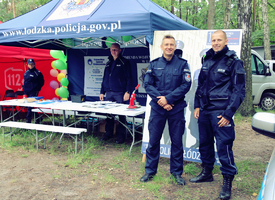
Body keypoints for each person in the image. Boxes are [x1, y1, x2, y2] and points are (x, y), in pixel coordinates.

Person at [190, 30, 245, 200]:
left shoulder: (234, 61)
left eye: (219, 40)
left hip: (221, 112)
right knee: (205, 143)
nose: (216, 43)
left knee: (224, 146)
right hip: (205, 111)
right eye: (213, 40)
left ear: (226, 41)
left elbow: (239, 90)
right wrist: (197, 105)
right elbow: (201, 85)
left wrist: (229, 114)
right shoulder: (207, 58)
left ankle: (227, 182)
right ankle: (207, 172)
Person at [140, 35, 191, 185]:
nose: (169, 47)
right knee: (154, 141)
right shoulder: (154, 64)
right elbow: (148, 85)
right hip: (158, 109)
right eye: (166, 44)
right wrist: (161, 101)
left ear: (175, 47)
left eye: (172, 45)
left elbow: (186, 85)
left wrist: (168, 99)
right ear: (161, 47)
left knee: (176, 142)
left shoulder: (182, 64)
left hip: (176, 108)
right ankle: (150, 171)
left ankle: (176, 173)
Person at [99, 43, 132, 144]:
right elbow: (104, 78)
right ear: (110, 51)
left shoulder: (124, 62)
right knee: (109, 114)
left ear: (120, 50)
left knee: (122, 115)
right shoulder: (108, 62)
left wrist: (127, 92)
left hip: (120, 93)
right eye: (112, 50)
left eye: (115, 50)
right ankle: (108, 133)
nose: (113, 51)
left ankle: (121, 136)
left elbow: (129, 78)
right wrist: (102, 92)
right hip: (108, 93)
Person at [23, 58, 44, 123]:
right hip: (27, 91)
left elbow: (42, 82)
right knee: (29, 106)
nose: (31, 65)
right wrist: (24, 92)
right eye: (30, 64)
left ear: (34, 64)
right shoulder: (26, 73)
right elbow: (25, 82)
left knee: (30, 106)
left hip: (33, 91)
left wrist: (37, 88)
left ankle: (28, 120)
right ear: (27, 65)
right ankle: (38, 118)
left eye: (32, 64)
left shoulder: (37, 73)